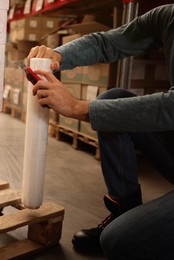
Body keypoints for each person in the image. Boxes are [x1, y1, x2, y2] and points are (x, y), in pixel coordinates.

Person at [26, 4, 174, 259]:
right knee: (113, 98)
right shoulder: (169, 16)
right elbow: (108, 42)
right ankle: (124, 209)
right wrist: (56, 56)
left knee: (121, 243)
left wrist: (78, 107)